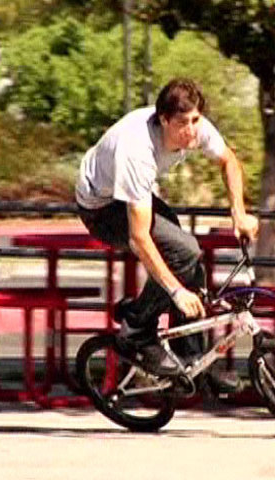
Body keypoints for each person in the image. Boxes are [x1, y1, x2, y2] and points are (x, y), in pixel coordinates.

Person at [75, 78, 258, 376]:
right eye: (183, 123)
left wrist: (239, 213)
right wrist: (175, 292)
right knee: (184, 253)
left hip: (129, 196)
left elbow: (229, 161)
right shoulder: (136, 151)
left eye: (195, 120)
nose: (192, 130)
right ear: (164, 120)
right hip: (100, 209)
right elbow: (139, 239)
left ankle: (192, 361)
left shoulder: (196, 127)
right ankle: (136, 329)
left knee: (191, 265)